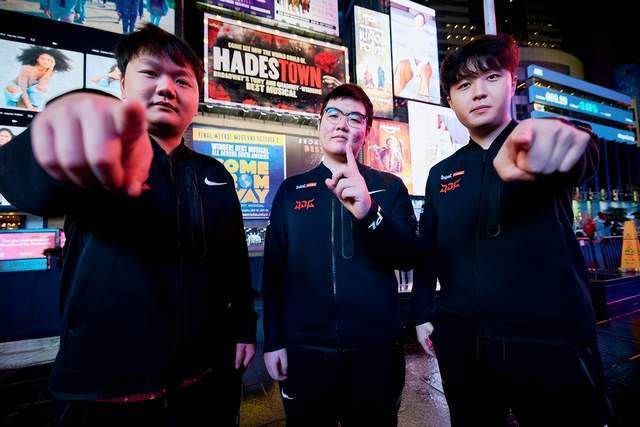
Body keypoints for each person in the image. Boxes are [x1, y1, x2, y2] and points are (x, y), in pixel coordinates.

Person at [0, 24, 256, 426]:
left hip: (202, 380)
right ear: (122, 84)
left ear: (197, 97)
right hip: (103, 390)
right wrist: (53, 134)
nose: (166, 88)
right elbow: (25, 185)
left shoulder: (215, 174)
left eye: (182, 80)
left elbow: (233, 263)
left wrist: (243, 327)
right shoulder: (96, 148)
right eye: (150, 73)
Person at [412, 34, 611, 426]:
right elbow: (428, 249)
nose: (478, 92)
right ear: (450, 100)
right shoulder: (441, 174)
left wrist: (568, 139)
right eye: (463, 85)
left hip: (548, 341)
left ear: (512, 81)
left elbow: (578, 151)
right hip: (463, 344)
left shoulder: (533, 141)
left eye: (491, 77)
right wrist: (421, 312)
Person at [262, 84, 419, 426]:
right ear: (319, 123)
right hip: (306, 351)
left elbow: (409, 256)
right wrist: (273, 340)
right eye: (333, 114)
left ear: (367, 130)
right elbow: (273, 275)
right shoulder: (291, 191)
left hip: (376, 350)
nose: (342, 124)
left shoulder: (390, 187)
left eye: (354, 118)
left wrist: (369, 212)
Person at [3, 47, 71, 111]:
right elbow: (23, 88)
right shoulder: (27, 68)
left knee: (42, 88)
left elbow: (43, 84)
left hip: (30, 89)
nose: (46, 62)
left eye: (49, 60)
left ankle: (32, 103)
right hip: (17, 86)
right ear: (37, 59)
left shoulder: (50, 71)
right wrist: (29, 106)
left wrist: (51, 67)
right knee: (18, 91)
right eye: (43, 59)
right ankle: (16, 103)